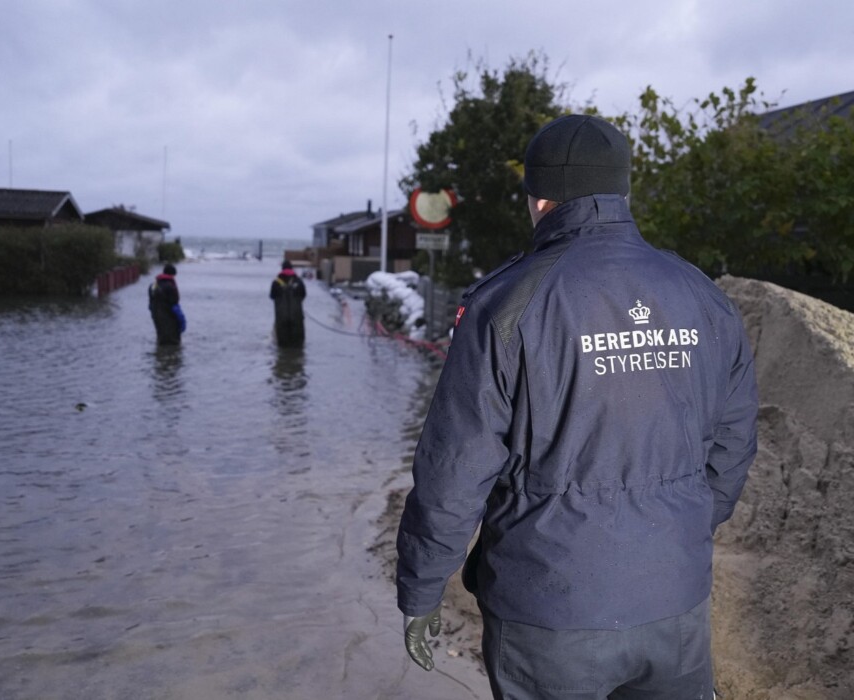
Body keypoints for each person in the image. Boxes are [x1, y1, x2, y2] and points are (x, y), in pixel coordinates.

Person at [396, 114, 759, 699]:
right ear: (623, 190)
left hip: (549, 611)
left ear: (540, 201)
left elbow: (455, 469)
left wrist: (421, 587)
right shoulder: (701, 295)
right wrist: (676, 530)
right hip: (675, 601)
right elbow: (734, 441)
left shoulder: (505, 305)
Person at [270, 260, 306, 347]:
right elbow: (303, 295)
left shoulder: (276, 283)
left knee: (283, 346)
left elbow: (272, 296)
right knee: (298, 346)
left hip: (281, 318)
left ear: (282, 269)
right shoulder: (299, 282)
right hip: (296, 317)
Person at [148, 263, 185, 345]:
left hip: (156, 317)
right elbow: (175, 306)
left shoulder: (153, 286)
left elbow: (150, 305)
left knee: (161, 339)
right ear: (172, 275)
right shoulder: (170, 286)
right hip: (169, 318)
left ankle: (160, 355)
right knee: (173, 343)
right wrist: (182, 321)